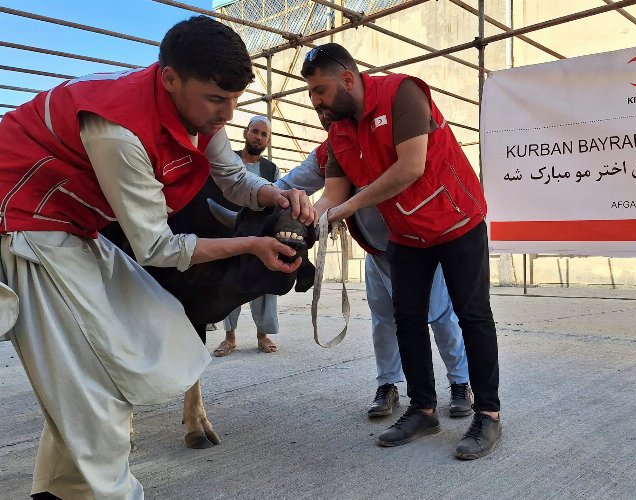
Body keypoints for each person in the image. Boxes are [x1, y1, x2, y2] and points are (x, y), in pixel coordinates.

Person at [0, 16, 314, 499]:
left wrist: (275, 195)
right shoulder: (118, 132)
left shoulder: (201, 117)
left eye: (234, 100)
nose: (228, 115)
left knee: (156, 322)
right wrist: (251, 245)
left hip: (74, 227)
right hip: (26, 226)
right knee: (97, 382)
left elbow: (232, 179)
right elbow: (157, 247)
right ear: (169, 77)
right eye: (216, 99)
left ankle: (60, 490)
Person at [301, 43, 501, 460]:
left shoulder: (401, 94)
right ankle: (423, 409)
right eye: (311, 93)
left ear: (348, 79)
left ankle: (488, 414)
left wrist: (349, 207)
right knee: (407, 318)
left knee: (473, 316)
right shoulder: (337, 134)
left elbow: (410, 166)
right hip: (408, 233)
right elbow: (332, 195)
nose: (315, 101)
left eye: (320, 90)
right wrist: (309, 217)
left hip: (455, 221)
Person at [277, 109, 473, 418]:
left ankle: (460, 383)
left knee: (439, 315)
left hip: (419, 245)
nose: (324, 112)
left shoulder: (390, 136)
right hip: (376, 250)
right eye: (317, 106)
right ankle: (388, 385)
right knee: (383, 320)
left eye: (328, 102)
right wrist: (258, 195)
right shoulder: (329, 152)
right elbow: (288, 184)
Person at [213, 115, 282, 356]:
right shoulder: (226, 161)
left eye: (264, 134)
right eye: (255, 131)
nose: (258, 137)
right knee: (229, 281)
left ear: (268, 140)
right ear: (245, 133)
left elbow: (276, 202)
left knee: (264, 283)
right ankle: (229, 338)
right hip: (230, 231)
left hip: (260, 232)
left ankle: (263, 336)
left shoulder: (271, 170)